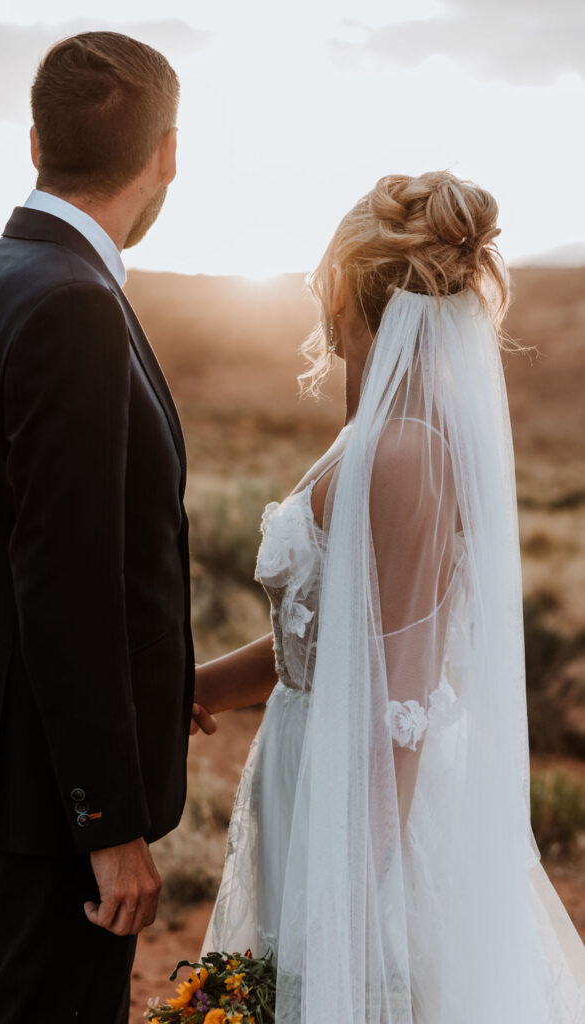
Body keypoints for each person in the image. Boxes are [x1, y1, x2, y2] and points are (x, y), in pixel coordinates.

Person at [196, 171, 585, 1022]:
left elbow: (396, 701)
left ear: (340, 288)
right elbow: (332, 635)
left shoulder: (403, 450)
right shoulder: (375, 431)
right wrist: (199, 690)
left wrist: (352, 905)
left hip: (364, 800)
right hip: (315, 762)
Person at [0, 31, 214, 1024]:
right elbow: (65, 577)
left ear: (35, 139)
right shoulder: (70, 303)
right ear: (165, 153)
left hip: (19, 753)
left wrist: (159, 685)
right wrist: (107, 819)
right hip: (58, 790)